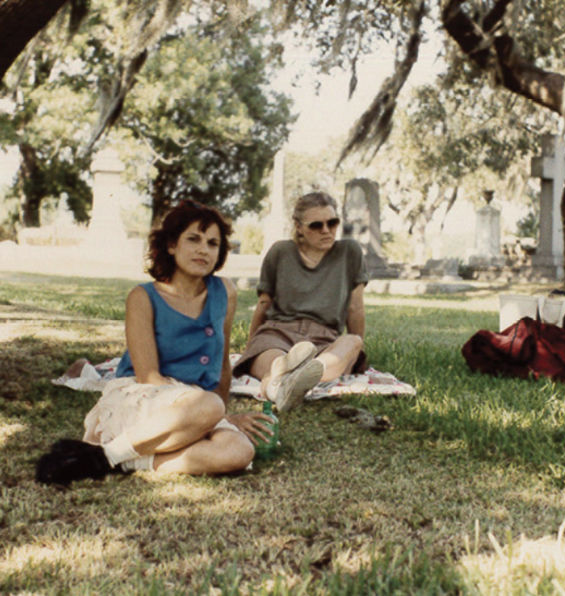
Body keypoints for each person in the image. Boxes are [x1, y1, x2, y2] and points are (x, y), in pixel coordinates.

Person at [36, 200, 274, 485]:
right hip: (142, 396)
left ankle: (111, 458)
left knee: (239, 451)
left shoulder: (225, 291)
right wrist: (208, 410)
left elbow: (222, 363)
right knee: (209, 405)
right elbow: (148, 375)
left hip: (196, 407)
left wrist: (221, 413)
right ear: (171, 245)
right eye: (193, 239)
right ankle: (112, 453)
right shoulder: (143, 297)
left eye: (213, 243)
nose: (203, 249)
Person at [232, 191, 368, 412]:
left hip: (325, 339)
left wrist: (355, 351)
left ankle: (298, 377)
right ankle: (285, 379)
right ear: (299, 226)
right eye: (316, 225)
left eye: (332, 222)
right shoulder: (280, 252)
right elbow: (264, 304)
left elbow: (356, 307)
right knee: (276, 362)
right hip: (278, 333)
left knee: (352, 341)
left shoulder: (349, 252)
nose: (326, 230)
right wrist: (251, 348)